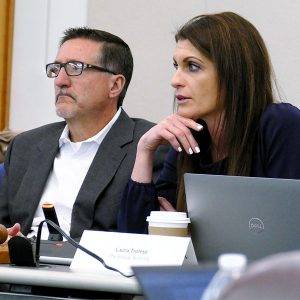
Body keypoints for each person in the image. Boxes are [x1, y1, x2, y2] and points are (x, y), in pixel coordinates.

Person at [118, 11, 300, 233]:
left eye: (192, 66)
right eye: (176, 66)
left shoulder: (280, 124)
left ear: (234, 72)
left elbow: (285, 233)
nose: (175, 81)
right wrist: (145, 150)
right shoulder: (189, 138)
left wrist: (191, 233)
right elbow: (136, 240)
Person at [0, 27, 167, 239]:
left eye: (75, 68)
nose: (60, 80)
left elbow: (143, 239)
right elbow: (3, 229)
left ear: (115, 85)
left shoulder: (151, 147)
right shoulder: (26, 146)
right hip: (21, 267)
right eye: (56, 69)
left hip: (93, 269)